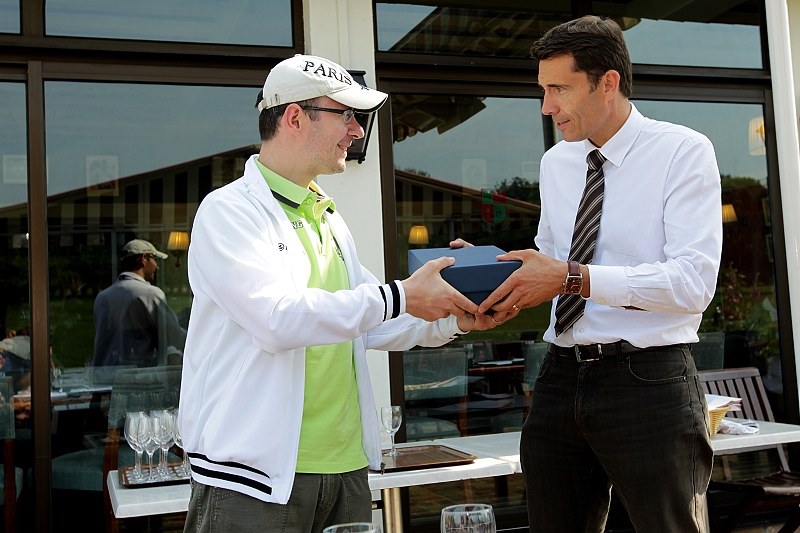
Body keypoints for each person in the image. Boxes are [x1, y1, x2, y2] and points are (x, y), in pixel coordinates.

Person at [178, 53, 499, 533]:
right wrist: (401, 295)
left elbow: (372, 319)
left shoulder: (326, 216)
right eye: (345, 115)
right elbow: (276, 320)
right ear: (293, 117)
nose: (356, 130)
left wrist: (456, 311)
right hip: (252, 480)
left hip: (346, 470)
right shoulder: (228, 212)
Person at [475, 16, 722, 532]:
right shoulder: (556, 163)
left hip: (649, 380)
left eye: (559, 89)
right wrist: (488, 271)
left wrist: (573, 278)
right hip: (560, 375)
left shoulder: (683, 151)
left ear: (607, 82)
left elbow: (692, 284)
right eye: (543, 90)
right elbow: (550, 259)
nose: (546, 107)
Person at [92, 239, 186, 368]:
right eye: (155, 259)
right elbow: (173, 335)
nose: (157, 266)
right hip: (139, 375)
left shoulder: (102, 297)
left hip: (105, 375)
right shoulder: (150, 294)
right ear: (144, 259)